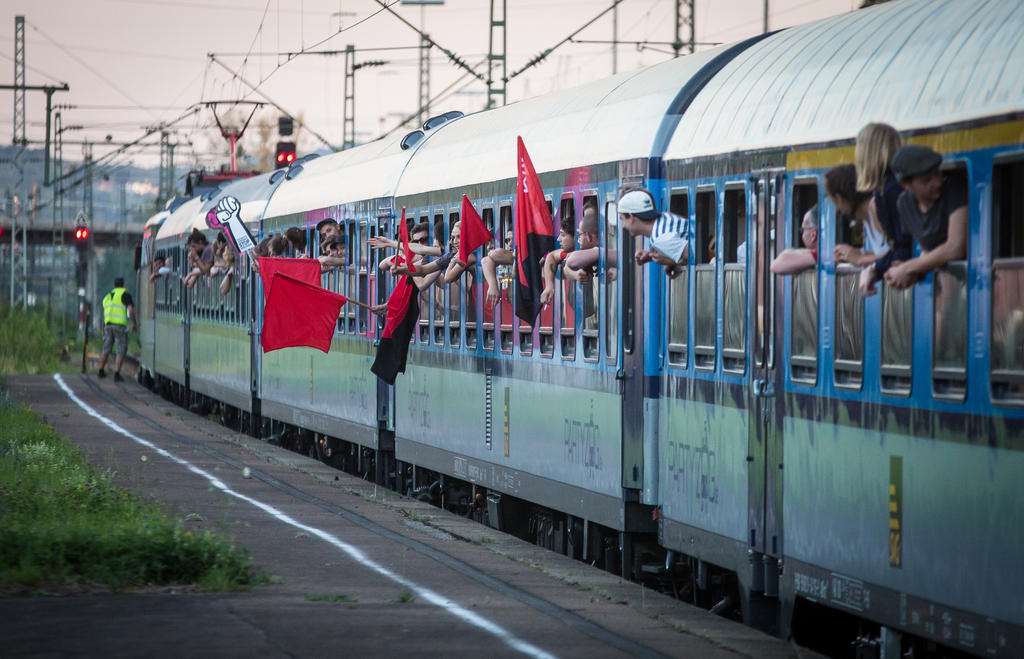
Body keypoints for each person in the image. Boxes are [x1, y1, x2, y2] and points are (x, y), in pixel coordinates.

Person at [883, 144, 968, 289]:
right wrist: (913, 272)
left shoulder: (953, 189)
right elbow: (928, 252)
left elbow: (955, 247)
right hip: (955, 285)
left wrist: (907, 268)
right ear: (905, 184)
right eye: (927, 180)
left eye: (937, 173)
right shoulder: (905, 205)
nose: (937, 182)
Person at [854, 123, 910, 296]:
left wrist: (874, 269)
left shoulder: (893, 191)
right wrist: (875, 270)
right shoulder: (882, 193)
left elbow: (905, 248)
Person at [618, 188, 689, 278]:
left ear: (631, 217)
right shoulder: (665, 217)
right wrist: (653, 256)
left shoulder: (660, 238)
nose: (623, 226)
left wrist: (672, 261)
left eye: (622, 219)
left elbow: (695, 254)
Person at [827, 164, 888, 266]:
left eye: (835, 202)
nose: (838, 209)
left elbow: (900, 255)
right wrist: (854, 254)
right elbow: (885, 254)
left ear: (840, 198)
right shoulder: (866, 218)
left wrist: (860, 259)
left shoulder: (874, 208)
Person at [96, 276, 136, 382]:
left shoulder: (107, 297)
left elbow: (104, 314)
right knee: (121, 349)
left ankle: (100, 370)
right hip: (119, 326)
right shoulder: (125, 294)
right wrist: (134, 323)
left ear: (114, 285)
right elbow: (131, 311)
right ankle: (117, 373)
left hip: (108, 325)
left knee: (106, 349)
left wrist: (103, 328)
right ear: (123, 285)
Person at [771, 206, 818, 275]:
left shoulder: (827, 256)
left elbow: (776, 266)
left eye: (803, 230)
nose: (802, 235)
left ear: (813, 235)